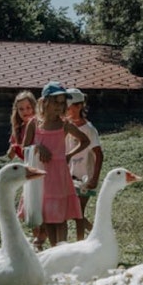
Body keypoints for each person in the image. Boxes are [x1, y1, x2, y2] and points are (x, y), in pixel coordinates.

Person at [22, 81, 90, 248]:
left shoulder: (64, 124)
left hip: (59, 175)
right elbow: (24, 147)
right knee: (48, 217)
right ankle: (53, 250)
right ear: (44, 102)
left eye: (62, 103)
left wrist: (68, 155)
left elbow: (85, 140)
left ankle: (62, 250)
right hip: (42, 176)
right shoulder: (34, 124)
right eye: (55, 102)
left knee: (60, 218)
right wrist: (37, 147)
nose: (59, 106)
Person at [64, 88, 103, 241]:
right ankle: (96, 234)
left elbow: (99, 154)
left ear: (79, 106)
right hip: (70, 175)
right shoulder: (66, 126)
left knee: (78, 212)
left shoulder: (89, 129)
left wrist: (94, 178)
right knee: (73, 212)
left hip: (86, 177)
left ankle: (80, 242)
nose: (66, 110)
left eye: (69, 107)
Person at [7, 90, 37, 160]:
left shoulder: (41, 126)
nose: (25, 111)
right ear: (17, 111)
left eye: (28, 108)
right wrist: (12, 149)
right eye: (21, 109)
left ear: (34, 108)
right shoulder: (18, 129)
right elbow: (10, 156)